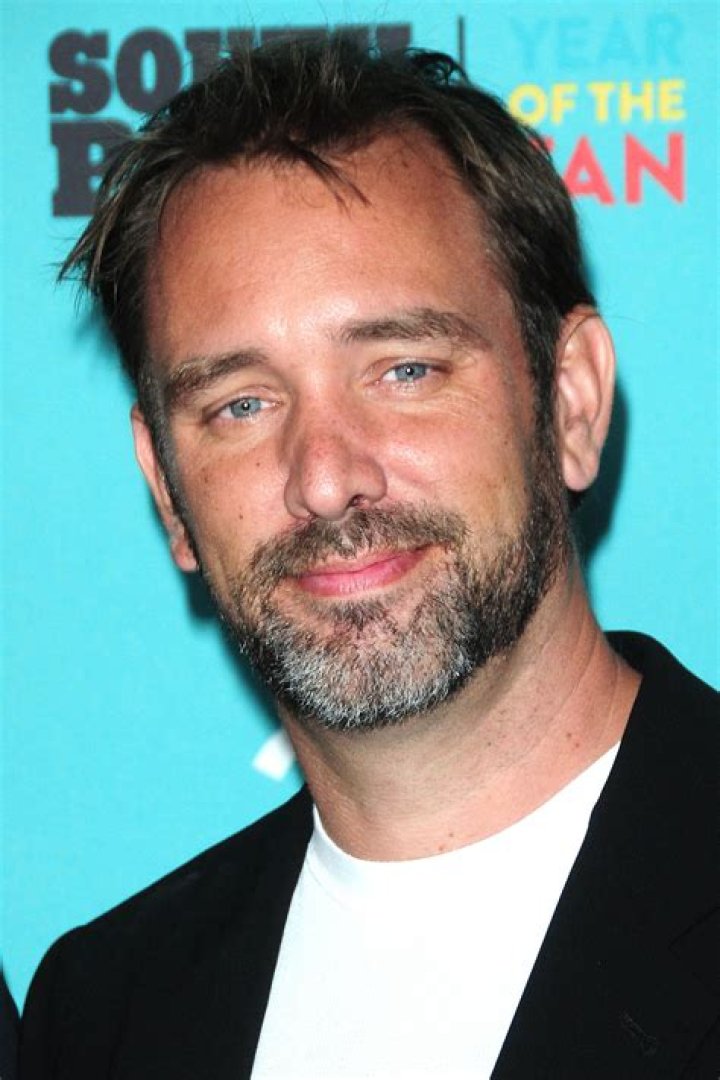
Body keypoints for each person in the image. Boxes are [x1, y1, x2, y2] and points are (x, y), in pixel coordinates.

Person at [19, 35, 718, 1079]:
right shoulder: (101, 1014)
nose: (324, 477)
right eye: (242, 404)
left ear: (571, 401)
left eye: (404, 369)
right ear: (168, 490)